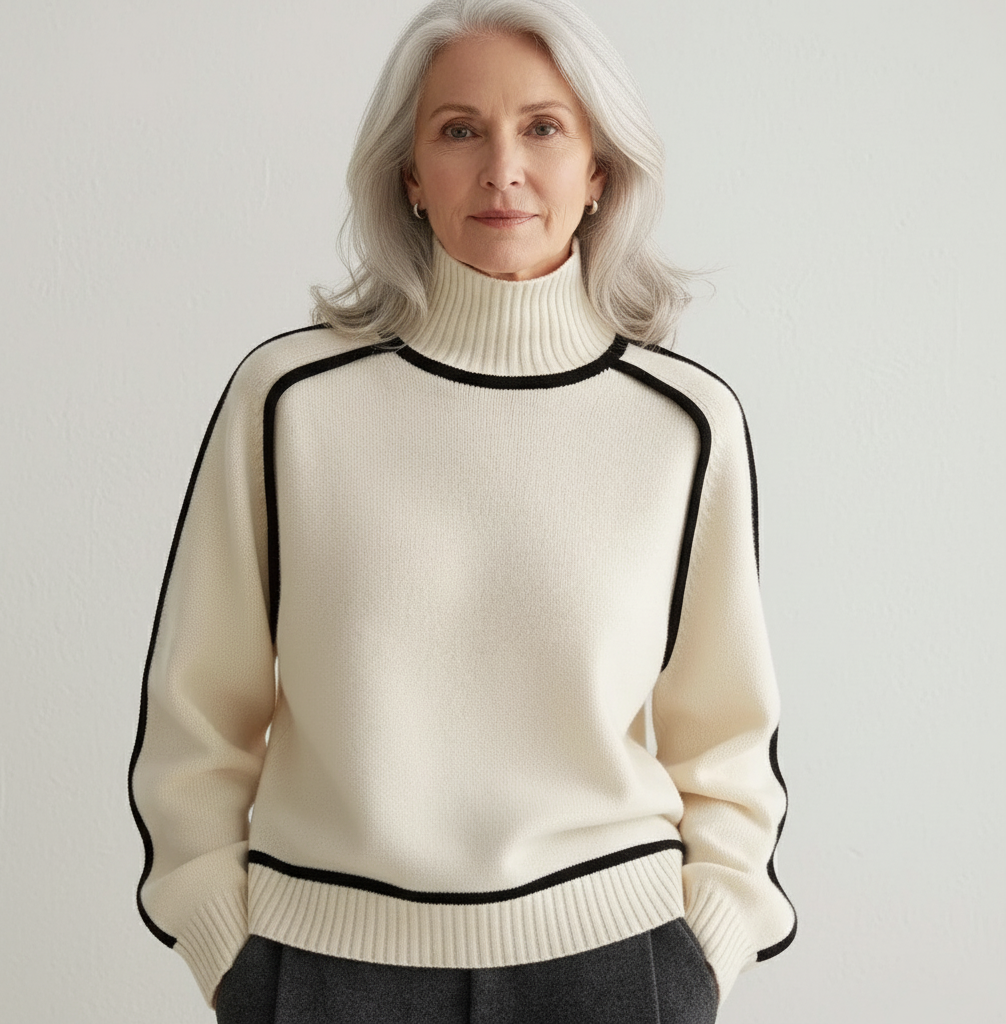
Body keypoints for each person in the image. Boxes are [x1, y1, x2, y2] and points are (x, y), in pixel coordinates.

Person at [127, 0, 797, 1021]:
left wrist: (704, 950)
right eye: (458, 130)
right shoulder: (290, 403)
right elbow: (197, 716)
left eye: (543, 127)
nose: (503, 170)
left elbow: (728, 737)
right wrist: (233, 955)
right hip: (328, 969)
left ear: (599, 171)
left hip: (614, 968)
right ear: (409, 174)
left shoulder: (683, 423)